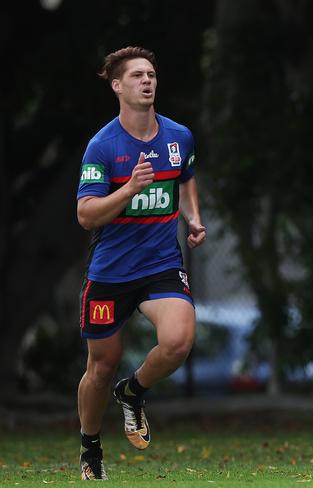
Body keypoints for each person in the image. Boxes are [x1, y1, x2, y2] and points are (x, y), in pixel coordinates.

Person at [76, 46, 206, 480]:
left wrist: (194, 218)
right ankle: (90, 446)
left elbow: (185, 177)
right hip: (111, 272)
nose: (147, 81)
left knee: (178, 341)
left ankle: (132, 393)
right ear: (117, 86)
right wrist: (129, 189)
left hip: (161, 263)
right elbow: (86, 215)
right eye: (136, 75)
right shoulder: (103, 146)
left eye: (151, 73)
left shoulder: (178, 136)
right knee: (101, 366)